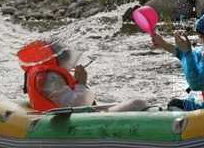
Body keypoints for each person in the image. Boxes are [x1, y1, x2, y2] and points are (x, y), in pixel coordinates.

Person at [18, 39, 146, 112]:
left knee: (129, 104)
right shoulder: (52, 78)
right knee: (138, 103)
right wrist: (81, 83)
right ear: (56, 59)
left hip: (58, 117)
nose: (69, 64)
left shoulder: (43, 74)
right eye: (66, 60)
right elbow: (78, 107)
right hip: (65, 124)